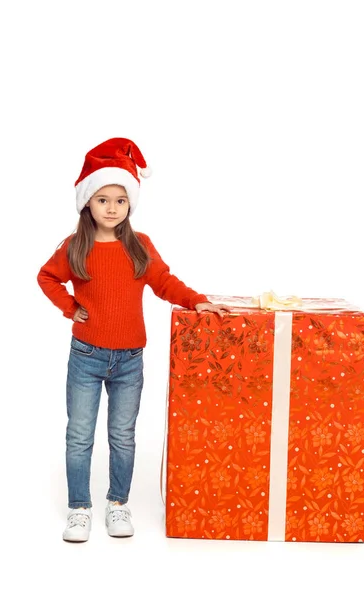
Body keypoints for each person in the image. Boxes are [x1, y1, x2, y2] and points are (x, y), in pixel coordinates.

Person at [37, 137, 231, 543]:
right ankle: (79, 509)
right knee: (80, 434)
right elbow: (47, 277)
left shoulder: (140, 246)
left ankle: (118, 504)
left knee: (122, 435)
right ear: (87, 203)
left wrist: (196, 301)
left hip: (129, 358)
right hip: (86, 356)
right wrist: (70, 307)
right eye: (103, 199)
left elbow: (163, 282)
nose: (111, 208)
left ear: (130, 204)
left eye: (120, 200)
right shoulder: (76, 246)